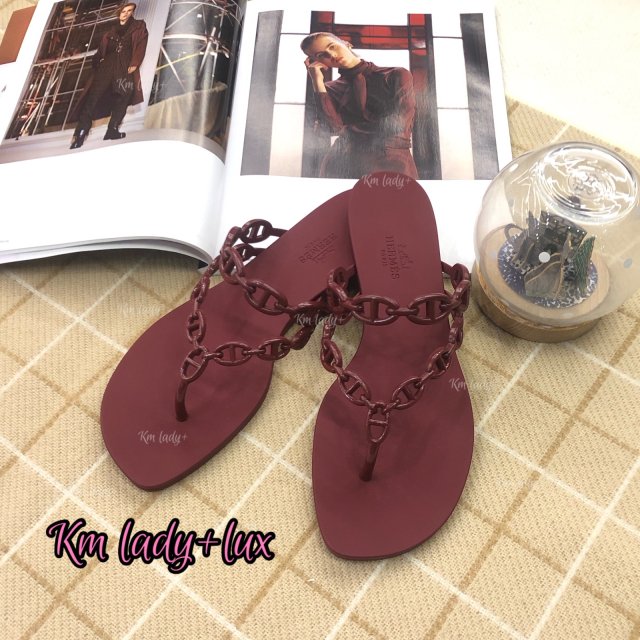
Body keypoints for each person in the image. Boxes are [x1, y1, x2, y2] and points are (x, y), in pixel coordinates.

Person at [301, 32, 418, 179]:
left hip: (392, 162)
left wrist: (350, 130)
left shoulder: (396, 75)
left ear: (347, 44)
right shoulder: (329, 89)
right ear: (318, 62)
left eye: (332, 46)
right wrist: (317, 80)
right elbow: (333, 127)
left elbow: (399, 124)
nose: (331, 55)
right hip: (343, 163)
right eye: (321, 55)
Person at [70, 3, 148, 149]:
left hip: (124, 65)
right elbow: (100, 51)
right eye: (124, 11)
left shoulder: (139, 26)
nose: (126, 13)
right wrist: (97, 63)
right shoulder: (110, 31)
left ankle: (112, 129)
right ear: (119, 13)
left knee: (124, 95)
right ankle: (80, 132)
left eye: (129, 11)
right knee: (93, 98)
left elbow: (141, 45)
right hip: (107, 66)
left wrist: (135, 62)